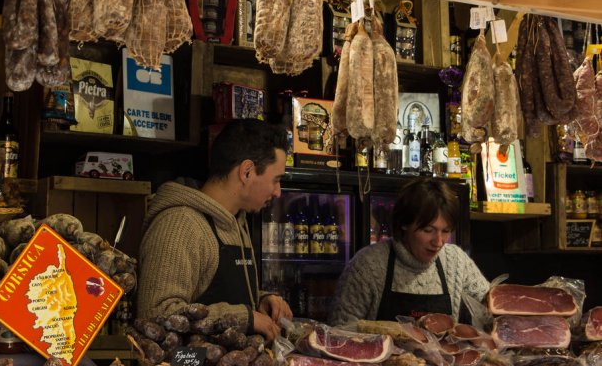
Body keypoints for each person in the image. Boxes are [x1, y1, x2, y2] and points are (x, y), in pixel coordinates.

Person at [137, 119, 293, 341]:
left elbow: (215, 297)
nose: (278, 192)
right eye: (276, 180)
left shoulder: (236, 222)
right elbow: (156, 316)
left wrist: (261, 302)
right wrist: (245, 317)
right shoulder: (179, 224)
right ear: (247, 172)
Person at [330, 178, 489, 325]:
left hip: (441, 356)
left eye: (446, 231)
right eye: (428, 230)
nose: (439, 242)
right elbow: (340, 331)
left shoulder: (456, 261)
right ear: (405, 223)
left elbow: (489, 309)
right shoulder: (367, 265)